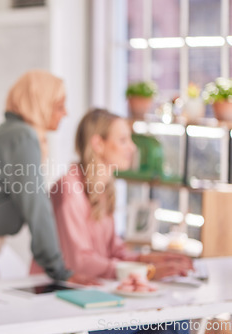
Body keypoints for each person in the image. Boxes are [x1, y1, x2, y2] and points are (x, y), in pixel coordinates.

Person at [30, 108, 192, 334]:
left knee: (177, 322)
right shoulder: (69, 188)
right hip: (62, 297)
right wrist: (147, 270)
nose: (133, 147)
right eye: (123, 140)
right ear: (98, 144)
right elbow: (80, 261)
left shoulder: (104, 188)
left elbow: (114, 250)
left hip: (98, 291)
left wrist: (152, 259)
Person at [0, 70, 97, 284]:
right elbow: (37, 206)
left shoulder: (10, 132)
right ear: (39, 104)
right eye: (59, 106)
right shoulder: (22, 136)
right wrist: (59, 270)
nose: (65, 113)